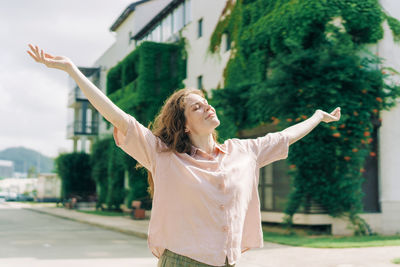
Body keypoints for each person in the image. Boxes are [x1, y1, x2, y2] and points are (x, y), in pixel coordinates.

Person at [27, 44, 341, 267]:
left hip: (228, 262)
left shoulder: (243, 152)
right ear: (185, 124)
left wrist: (316, 116)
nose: (208, 106)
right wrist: (72, 70)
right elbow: (118, 117)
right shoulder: (162, 155)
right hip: (182, 262)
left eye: (206, 102)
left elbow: (286, 136)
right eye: (196, 106)